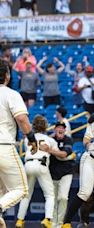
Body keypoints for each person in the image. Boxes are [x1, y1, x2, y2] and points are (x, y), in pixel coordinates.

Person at [0, 59, 37, 227]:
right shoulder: (11, 94)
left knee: (1, 191)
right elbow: (22, 118)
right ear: (7, 76)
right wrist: (31, 138)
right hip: (4, 147)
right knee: (21, 189)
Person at [16, 115, 67, 228]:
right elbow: (60, 156)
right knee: (49, 194)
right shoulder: (50, 140)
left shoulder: (26, 139)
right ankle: (47, 219)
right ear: (46, 126)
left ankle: (20, 220)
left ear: (33, 126)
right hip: (41, 164)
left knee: (26, 195)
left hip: (28, 164)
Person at [49, 121, 75, 227]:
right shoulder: (50, 140)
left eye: (62, 128)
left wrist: (50, 151)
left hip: (66, 172)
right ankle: (53, 223)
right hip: (52, 173)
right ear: (55, 129)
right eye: (58, 127)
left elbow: (64, 154)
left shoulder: (68, 140)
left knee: (63, 197)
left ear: (65, 130)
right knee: (53, 199)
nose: (60, 129)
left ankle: (60, 223)